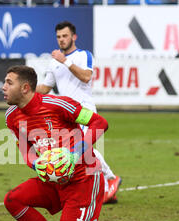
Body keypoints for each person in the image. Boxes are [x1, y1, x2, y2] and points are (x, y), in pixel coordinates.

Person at [2, 65, 131, 221]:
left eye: (9, 83)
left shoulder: (59, 105)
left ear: (25, 87)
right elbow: (26, 149)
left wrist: (75, 153)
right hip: (53, 180)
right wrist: (37, 164)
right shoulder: (12, 116)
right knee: (13, 200)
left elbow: (100, 122)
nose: (3, 87)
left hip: (83, 179)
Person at [36, 21, 122, 204]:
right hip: (66, 113)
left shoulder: (83, 55)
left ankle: (110, 179)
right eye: (58, 37)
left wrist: (65, 61)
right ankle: (103, 186)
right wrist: (24, 92)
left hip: (84, 109)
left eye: (65, 36)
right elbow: (45, 87)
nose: (61, 40)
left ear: (74, 37)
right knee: (78, 150)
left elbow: (86, 77)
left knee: (83, 148)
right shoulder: (54, 62)